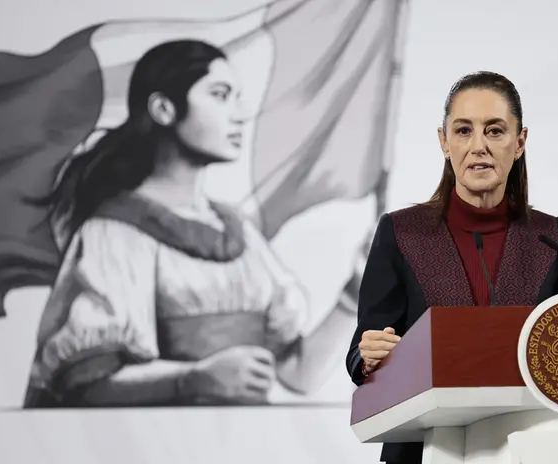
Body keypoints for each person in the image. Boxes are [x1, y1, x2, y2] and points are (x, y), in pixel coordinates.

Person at [23, 39, 357, 408]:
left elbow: (297, 374)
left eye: (236, 97)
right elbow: (87, 384)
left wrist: (357, 291)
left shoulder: (240, 233)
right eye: (220, 94)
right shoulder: (115, 233)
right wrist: (194, 379)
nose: (240, 114)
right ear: (164, 109)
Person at [345, 71, 558, 463]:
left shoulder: (550, 238)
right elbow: (363, 349)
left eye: (495, 131)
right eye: (463, 131)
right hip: (421, 449)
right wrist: (366, 355)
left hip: (528, 448)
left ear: (520, 141)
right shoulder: (401, 233)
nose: (479, 147)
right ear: (443, 142)